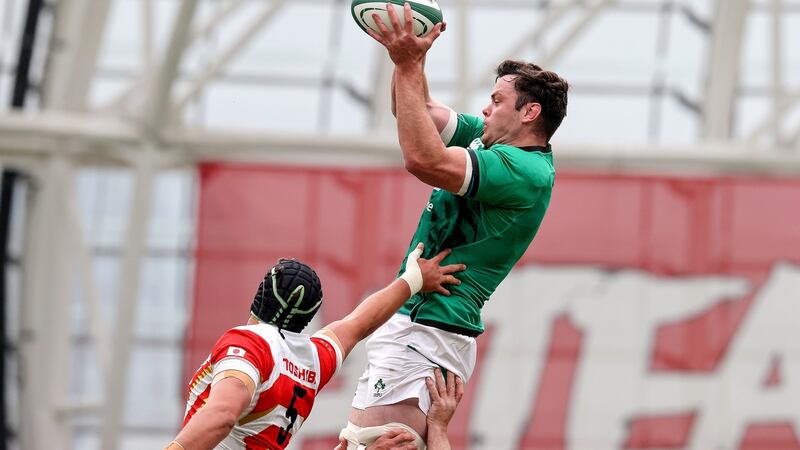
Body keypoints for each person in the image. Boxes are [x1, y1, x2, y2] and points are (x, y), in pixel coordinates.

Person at [341, 3, 570, 449]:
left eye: (498, 101)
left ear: (529, 113)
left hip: (430, 327)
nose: (485, 109)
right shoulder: (487, 139)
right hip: (421, 322)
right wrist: (412, 56)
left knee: (368, 442)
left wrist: (407, 63)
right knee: (359, 442)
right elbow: (415, 109)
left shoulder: (523, 170)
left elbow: (422, 159)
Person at [164, 243, 465, 450]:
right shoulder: (314, 359)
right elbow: (359, 323)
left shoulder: (250, 344)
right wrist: (413, 280)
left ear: (259, 297)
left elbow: (223, 415)